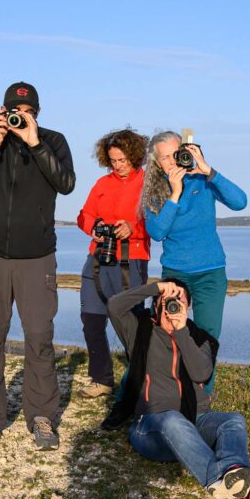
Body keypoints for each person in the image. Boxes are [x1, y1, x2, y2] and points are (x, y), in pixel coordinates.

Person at [0, 81, 75, 451]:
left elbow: (66, 183)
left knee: (39, 339)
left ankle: (41, 417)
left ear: (37, 114)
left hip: (37, 256)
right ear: (3, 110)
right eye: (15, 111)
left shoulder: (53, 141)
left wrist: (35, 143)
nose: (20, 117)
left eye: (27, 112)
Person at [102, 279, 250, 499]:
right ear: (156, 306)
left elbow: (201, 374)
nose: (173, 308)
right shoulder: (139, 331)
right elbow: (114, 305)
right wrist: (157, 288)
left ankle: (233, 474)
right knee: (173, 420)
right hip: (150, 427)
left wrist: (181, 333)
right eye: (168, 301)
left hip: (195, 421)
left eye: (180, 303)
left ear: (187, 309)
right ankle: (219, 479)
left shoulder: (200, 339)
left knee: (233, 420)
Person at [140, 131, 247, 395]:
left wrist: (209, 170)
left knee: (207, 337)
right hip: (175, 274)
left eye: (175, 154)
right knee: (167, 332)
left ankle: (202, 399)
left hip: (210, 272)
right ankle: (168, 391)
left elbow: (240, 202)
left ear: (185, 152)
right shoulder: (154, 192)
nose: (171, 161)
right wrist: (175, 194)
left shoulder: (203, 179)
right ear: (157, 164)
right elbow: (157, 232)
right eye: (164, 158)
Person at [75, 129, 150, 399]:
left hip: (132, 260)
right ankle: (101, 380)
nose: (117, 166)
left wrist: (133, 228)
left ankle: (140, 382)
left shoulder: (148, 183)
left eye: (122, 160)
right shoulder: (102, 183)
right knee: (91, 320)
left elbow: (157, 223)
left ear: (135, 156)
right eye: (113, 160)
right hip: (97, 258)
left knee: (132, 324)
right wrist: (93, 227)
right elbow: (83, 216)